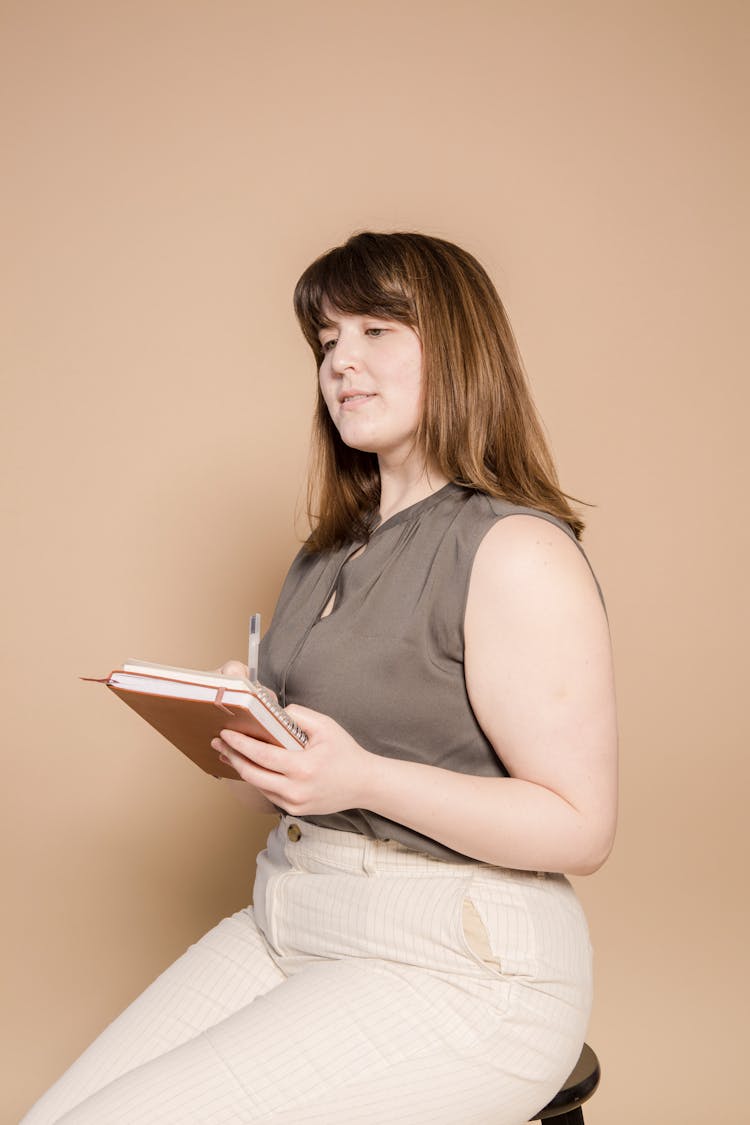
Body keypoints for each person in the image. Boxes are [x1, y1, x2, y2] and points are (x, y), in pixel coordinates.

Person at [23, 231, 617, 1125]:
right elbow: (305, 791)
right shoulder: (327, 553)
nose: (342, 362)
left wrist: (362, 777)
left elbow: (582, 827)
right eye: (327, 340)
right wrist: (251, 740)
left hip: (464, 964)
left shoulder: (514, 550)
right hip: (291, 918)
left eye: (376, 330)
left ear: (458, 344)